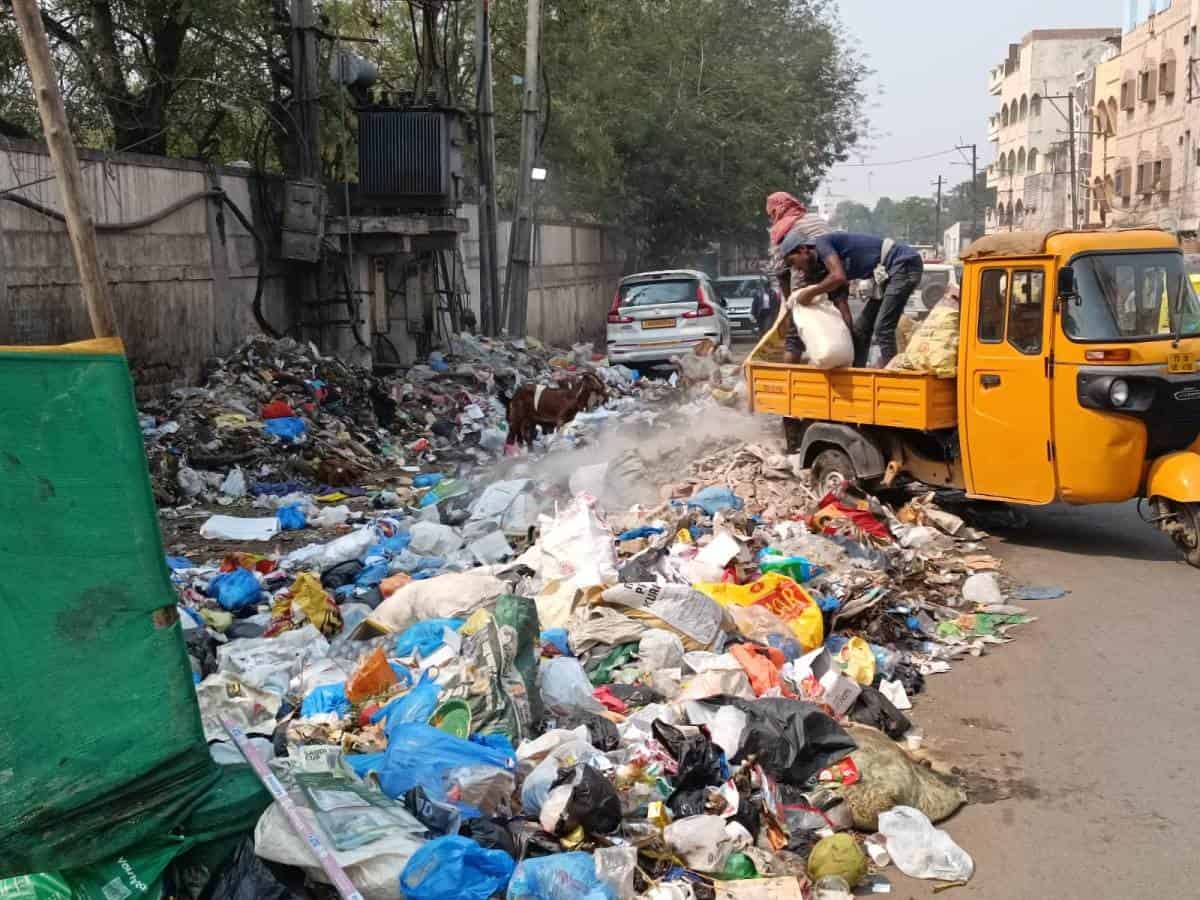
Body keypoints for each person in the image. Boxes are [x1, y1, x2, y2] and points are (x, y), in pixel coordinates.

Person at [779, 230, 924, 367]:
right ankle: (857, 373)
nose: (796, 269)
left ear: (803, 249)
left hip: (902, 263)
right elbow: (843, 308)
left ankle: (892, 376)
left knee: (883, 328)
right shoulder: (821, 271)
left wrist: (810, 293)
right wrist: (843, 345)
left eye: (793, 262)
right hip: (887, 275)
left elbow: (839, 276)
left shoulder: (822, 244)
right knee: (860, 331)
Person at [765, 192, 853, 363]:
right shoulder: (816, 220)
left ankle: (790, 371)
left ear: (777, 211)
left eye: (771, 214)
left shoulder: (781, 230)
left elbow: (781, 271)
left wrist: (790, 303)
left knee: (794, 336)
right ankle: (851, 359)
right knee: (842, 314)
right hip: (834, 273)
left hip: (807, 282)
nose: (772, 218)